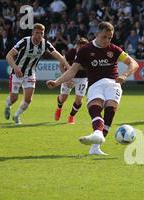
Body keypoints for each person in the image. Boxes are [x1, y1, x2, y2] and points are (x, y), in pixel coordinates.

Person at [46, 22, 139, 156]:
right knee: (95, 107)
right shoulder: (85, 50)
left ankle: (95, 145)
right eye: (104, 37)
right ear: (97, 34)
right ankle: (97, 135)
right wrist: (56, 82)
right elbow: (72, 71)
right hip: (95, 84)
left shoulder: (114, 49)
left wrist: (125, 74)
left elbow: (133, 63)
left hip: (113, 83)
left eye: (110, 38)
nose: (107, 40)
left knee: (110, 110)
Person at [4, 23, 69, 125]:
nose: (39, 35)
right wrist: (15, 68)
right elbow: (9, 55)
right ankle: (8, 106)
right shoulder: (25, 41)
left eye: (41, 33)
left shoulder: (45, 44)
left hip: (30, 73)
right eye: (37, 33)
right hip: (17, 73)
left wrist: (68, 66)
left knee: (28, 99)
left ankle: (16, 116)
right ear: (32, 33)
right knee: (14, 98)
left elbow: (57, 54)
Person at [54, 38, 89, 124]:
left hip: (82, 79)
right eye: (80, 47)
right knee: (63, 98)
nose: (81, 49)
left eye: (84, 47)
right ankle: (59, 108)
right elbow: (61, 65)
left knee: (79, 100)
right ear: (77, 46)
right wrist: (66, 79)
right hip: (69, 77)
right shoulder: (71, 52)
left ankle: (71, 116)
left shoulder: (89, 55)